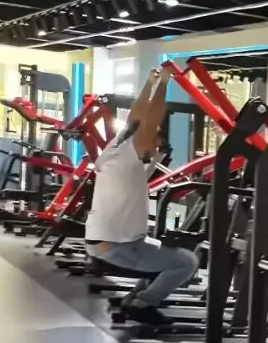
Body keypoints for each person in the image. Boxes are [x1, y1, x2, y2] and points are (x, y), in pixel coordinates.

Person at [83, 65, 196, 329]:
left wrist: (150, 82)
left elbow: (136, 116)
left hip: (110, 240)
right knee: (187, 262)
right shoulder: (129, 154)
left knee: (166, 251)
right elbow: (150, 119)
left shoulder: (116, 148)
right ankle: (143, 305)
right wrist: (164, 82)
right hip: (116, 245)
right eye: (154, 142)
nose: (155, 146)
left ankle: (134, 299)